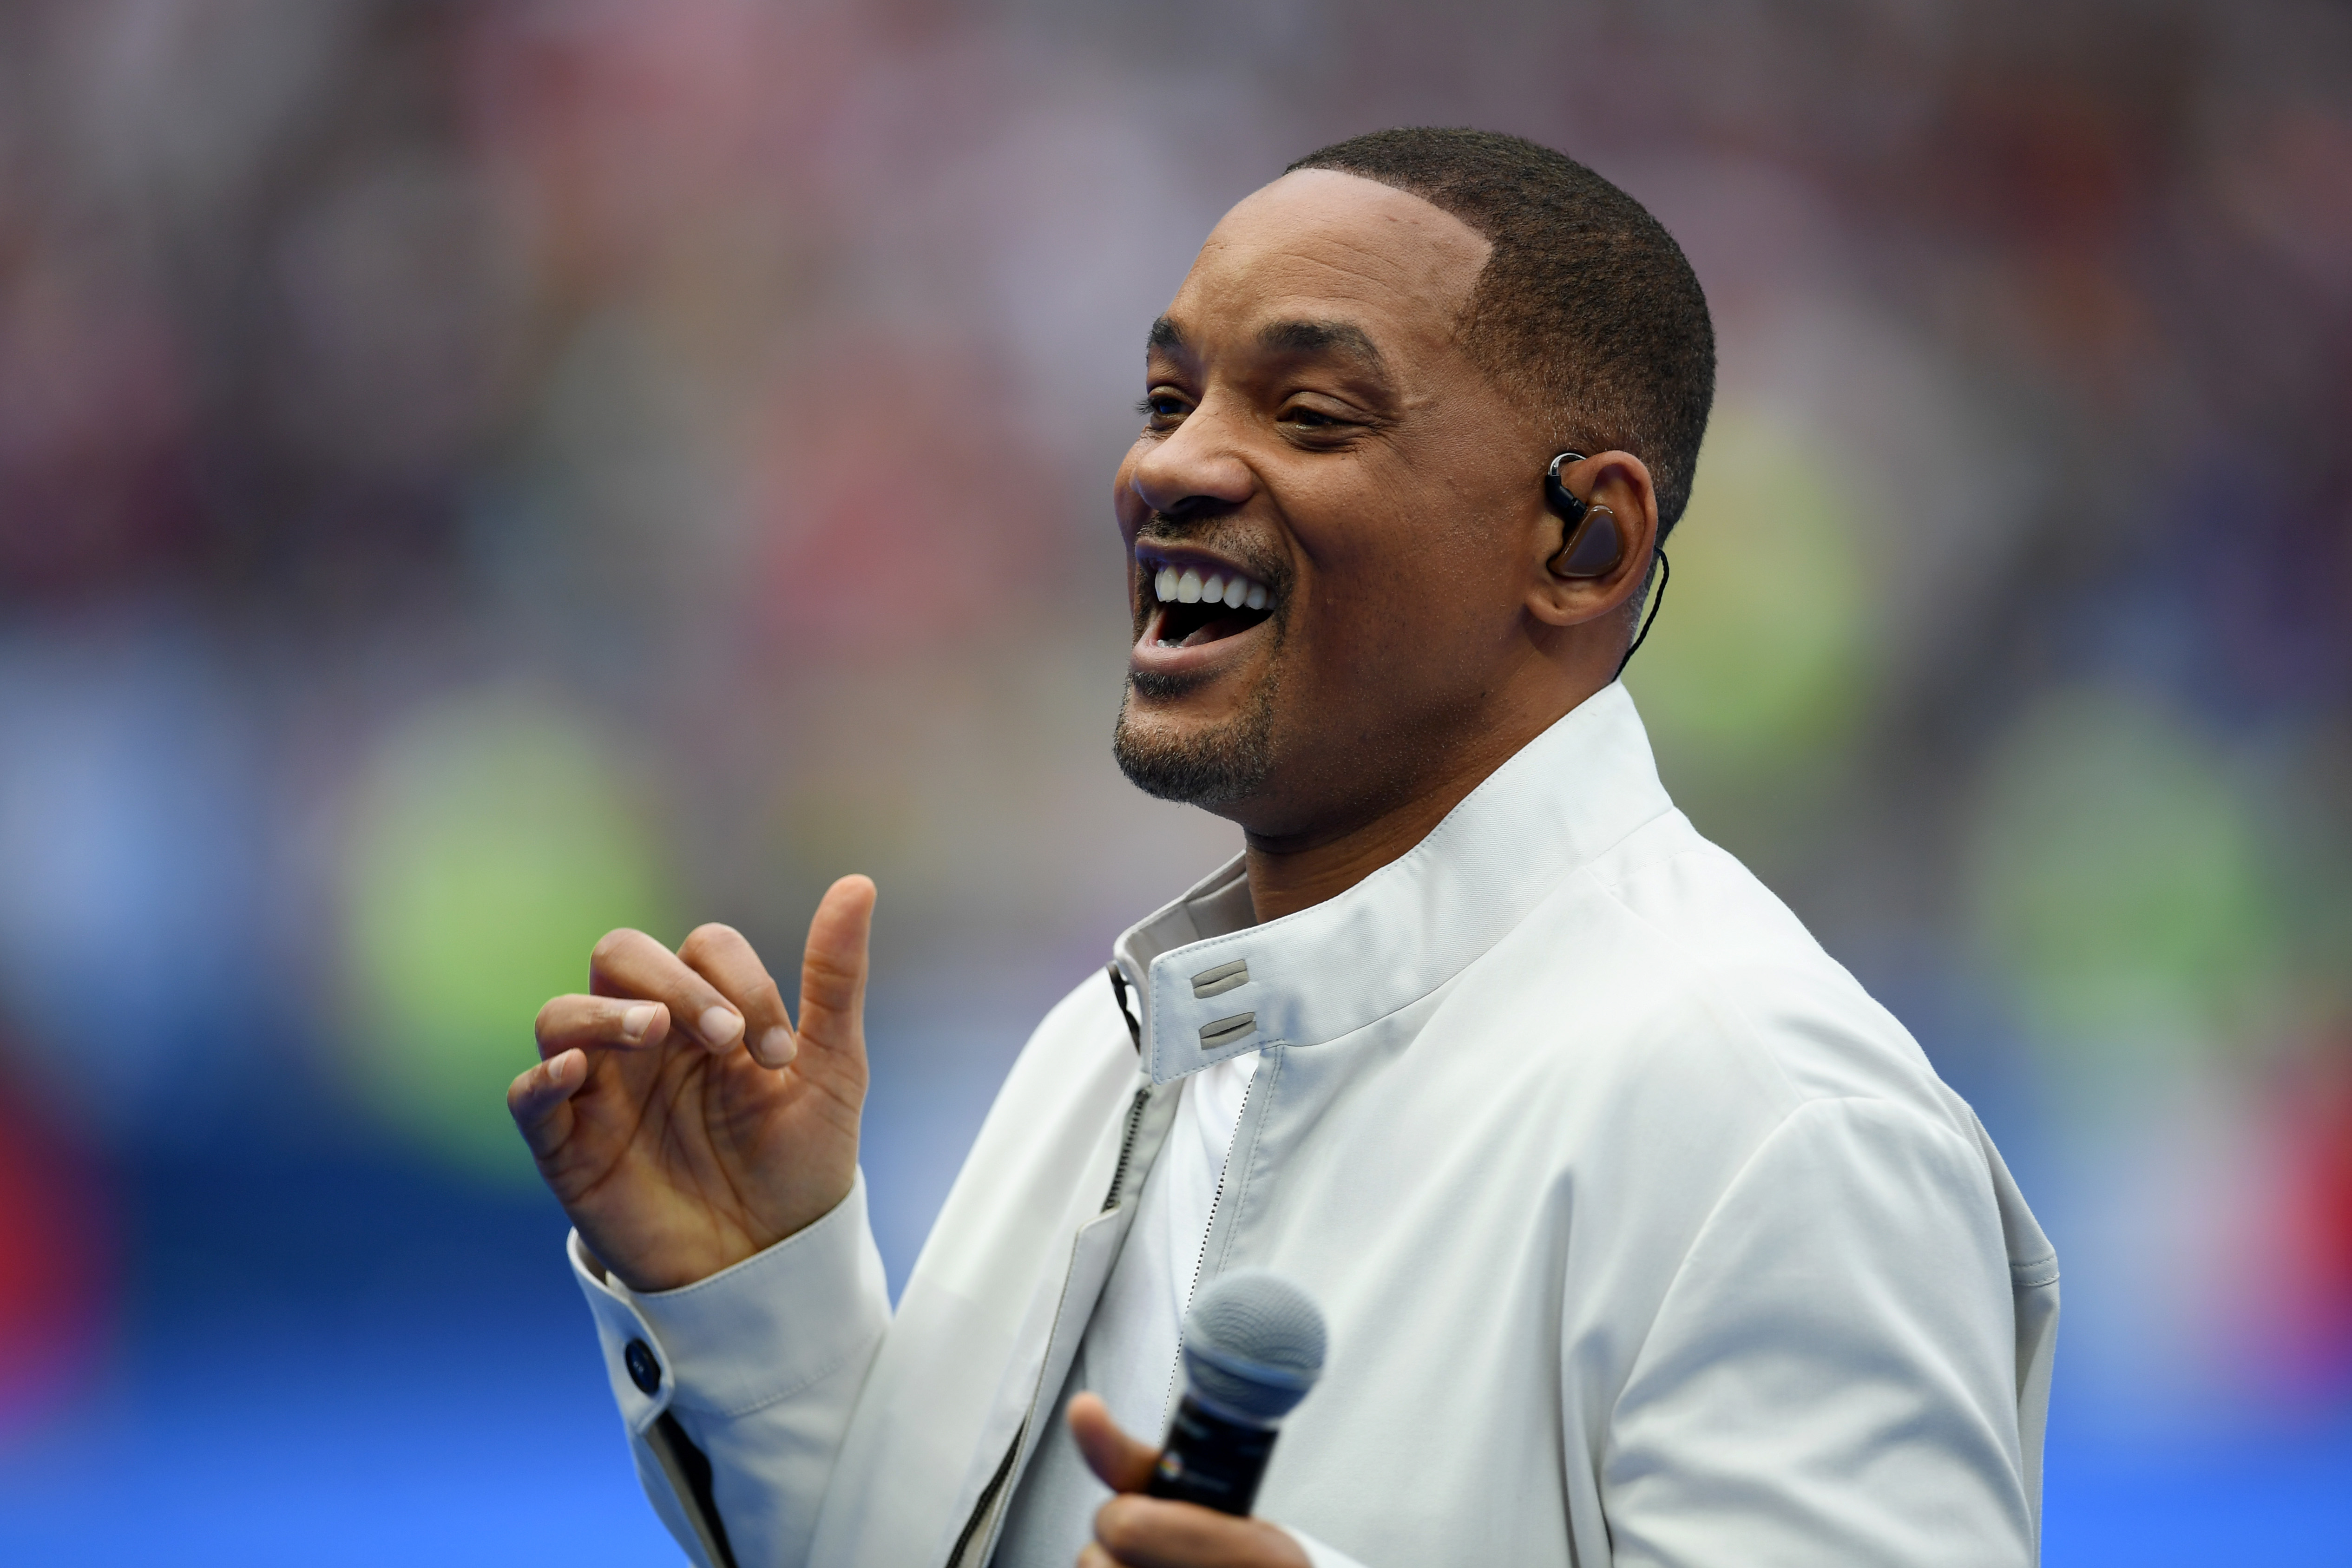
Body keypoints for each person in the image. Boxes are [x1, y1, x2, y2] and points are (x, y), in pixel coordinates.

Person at [508, 127, 2057, 1568]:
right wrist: (758, 1304)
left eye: (1312, 414)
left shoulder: (1778, 1119)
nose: (1169, 469)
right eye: (1168, 400)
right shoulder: (1106, 1057)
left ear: (1586, 543)